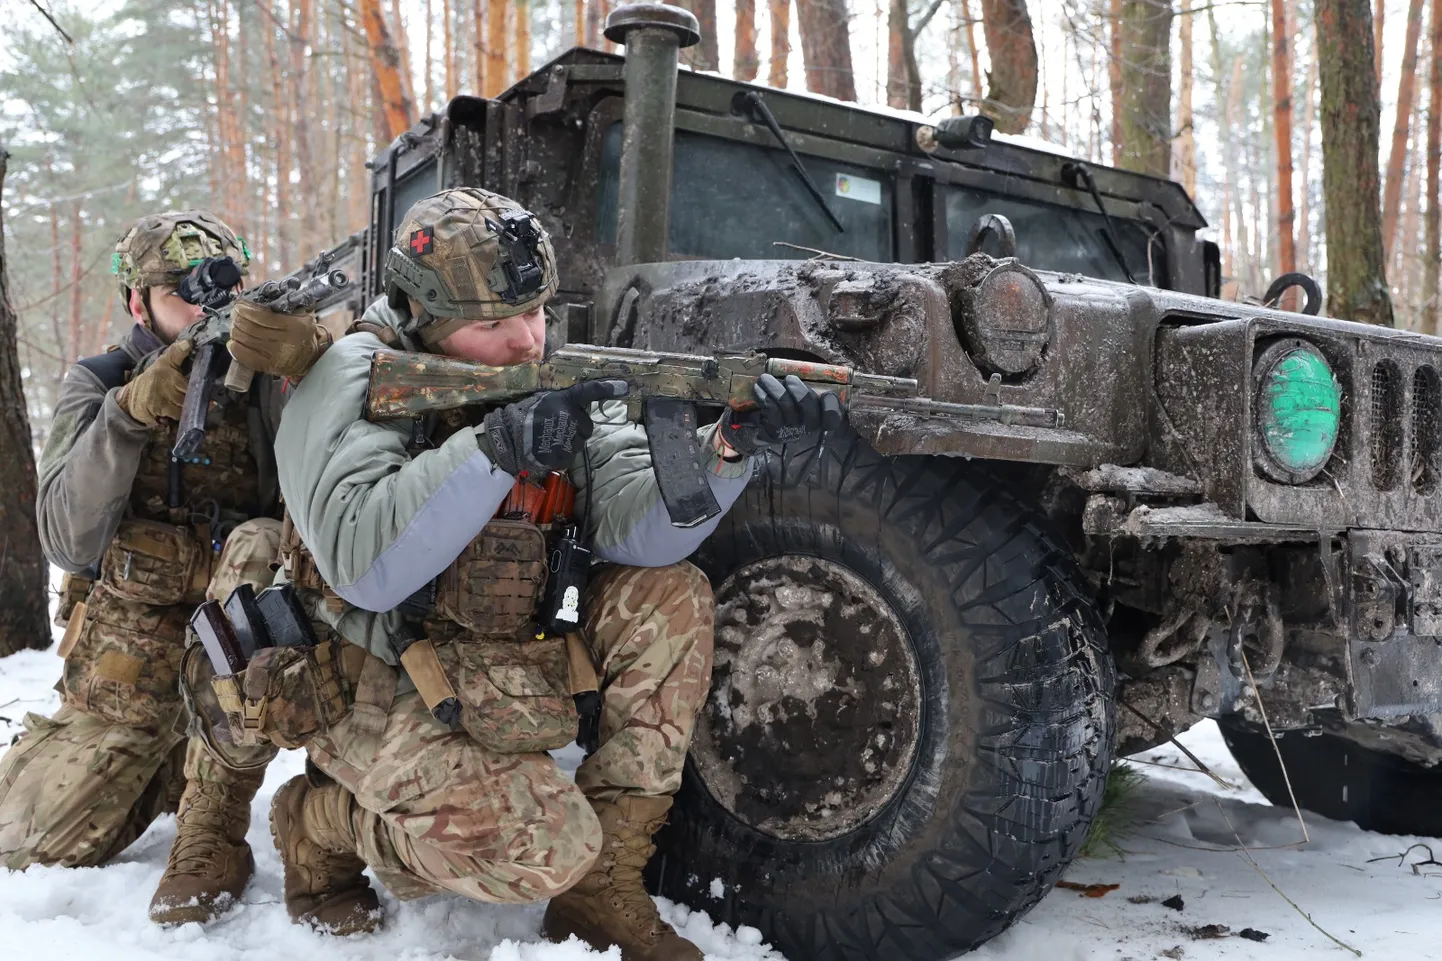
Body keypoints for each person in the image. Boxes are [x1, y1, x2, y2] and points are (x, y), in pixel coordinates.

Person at [250, 186, 839, 960]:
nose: (530, 341)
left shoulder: (539, 371)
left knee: (671, 595)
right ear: (422, 315)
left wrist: (727, 448)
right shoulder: (352, 376)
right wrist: (498, 449)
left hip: (493, 650)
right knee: (532, 850)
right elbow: (367, 568)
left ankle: (600, 890)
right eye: (495, 325)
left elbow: (641, 527)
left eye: (538, 312)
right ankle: (319, 821)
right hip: (368, 671)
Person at [0, 210, 329, 926]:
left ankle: (215, 822)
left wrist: (305, 357)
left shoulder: (266, 379)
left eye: (222, 289)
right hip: (128, 666)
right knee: (26, 845)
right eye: (181, 292)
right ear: (136, 303)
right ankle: (160, 770)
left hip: (240, 656)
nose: (204, 306)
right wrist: (126, 416)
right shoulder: (103, 381)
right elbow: (66, 537)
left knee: (260, 541)